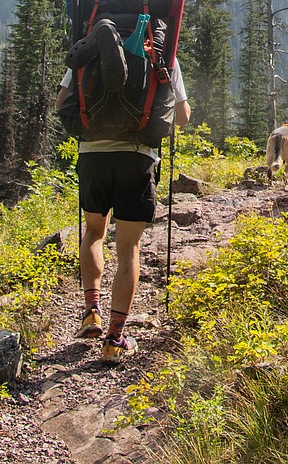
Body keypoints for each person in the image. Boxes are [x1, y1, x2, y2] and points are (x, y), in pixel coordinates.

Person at [56, 57, 191, 362]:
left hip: (92, 154)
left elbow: (62, 101)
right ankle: (115, 339)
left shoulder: (89, 45)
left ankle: (91, 311)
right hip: (137, 156)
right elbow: (181, 117)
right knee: (128, 247)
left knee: (93, 232)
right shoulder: (161, 52)